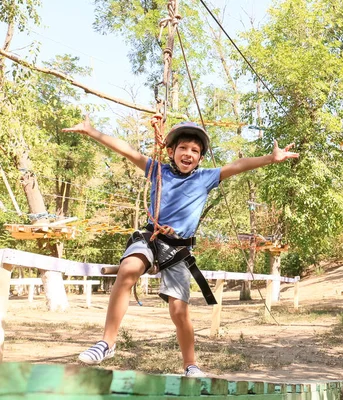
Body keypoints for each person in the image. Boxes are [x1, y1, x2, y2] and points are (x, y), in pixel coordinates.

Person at [63, 116, 298, 377]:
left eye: (195, 151)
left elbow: (238, 164)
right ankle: (106, 343)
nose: (188, 154)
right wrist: (92, 130)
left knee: (179, 311)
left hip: (178, 250)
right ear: (171, 151)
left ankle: (190, 364)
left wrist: (269, 157)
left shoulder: (206, 178)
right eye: (183, 148)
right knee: (128, 269)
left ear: (200, 158)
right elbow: (126, 150)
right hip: (151, 238)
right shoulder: (157, 171)